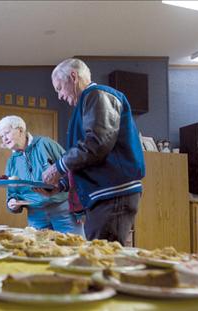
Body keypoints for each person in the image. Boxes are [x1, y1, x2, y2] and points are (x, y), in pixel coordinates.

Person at [41, 58, 145, 245]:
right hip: (104, 195)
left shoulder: (98, 94)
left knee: (104, 259)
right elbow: (90, 158)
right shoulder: (88, 101)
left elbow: (97, 143)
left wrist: (59, 167)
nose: (60, 96)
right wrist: (62, 184)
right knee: (100, 255)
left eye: (59, 88)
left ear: (73, 76)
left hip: (112, 194)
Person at [0, 115, 85, 236]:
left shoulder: (45, 144)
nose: (4, 139)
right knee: (40, 253)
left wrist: (80, 210)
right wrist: (12, 203)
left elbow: (72, 170)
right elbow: (12, 192)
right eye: (1, 136)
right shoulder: (12, 162)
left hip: (63, 210)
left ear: (20, 130)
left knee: (75, 249)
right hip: (35, 216)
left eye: (6, 133)